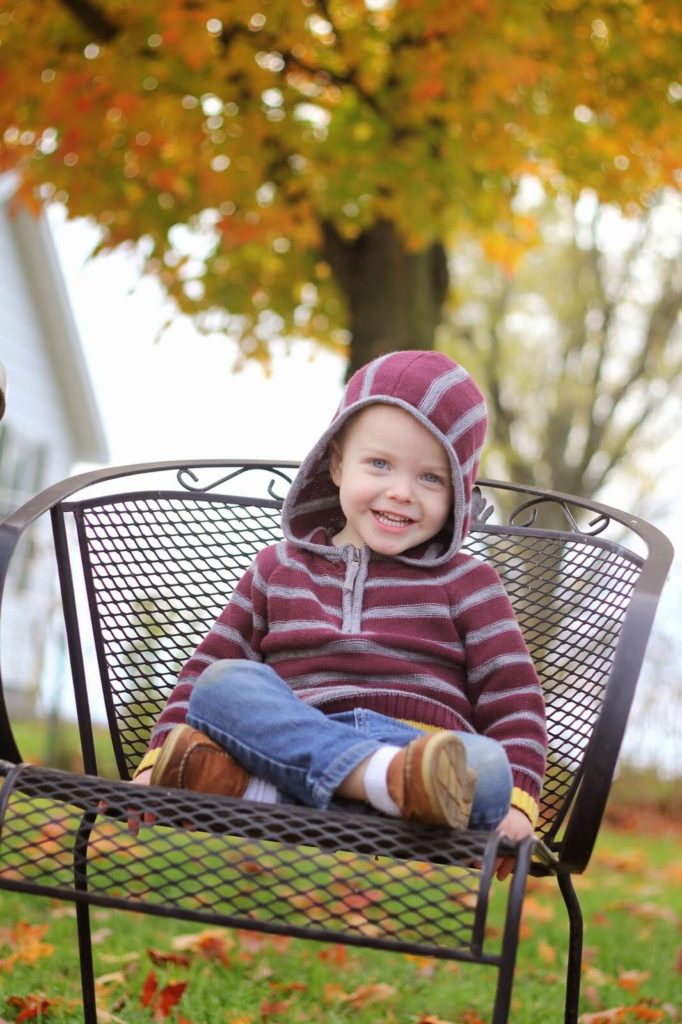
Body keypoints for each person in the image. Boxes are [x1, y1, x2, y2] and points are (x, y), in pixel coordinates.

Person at [133, 351, 547, 875]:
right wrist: (156, 760)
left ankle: (267, 792)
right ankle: (374, 781)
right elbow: (204, 671)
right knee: (221, 684)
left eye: (431, 479)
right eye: (380, 464)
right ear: (335, 464)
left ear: (459, 493)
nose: (400, 491)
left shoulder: (469, 583)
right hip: (294, 739)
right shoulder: (278, 568)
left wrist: (518, 803)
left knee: (485, 768)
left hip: (423, 757)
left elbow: (513, 699)